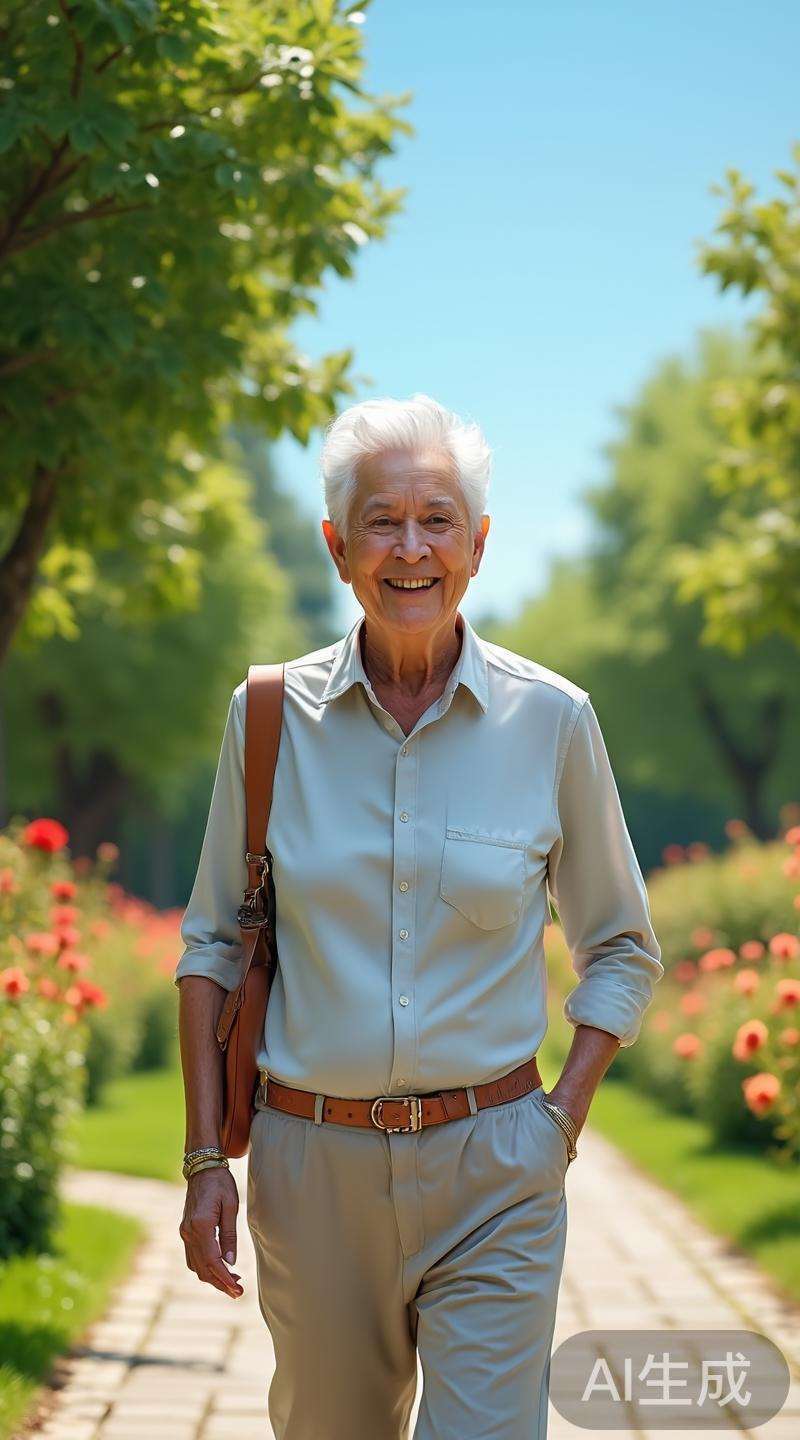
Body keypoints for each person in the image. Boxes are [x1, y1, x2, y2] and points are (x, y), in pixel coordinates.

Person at [174, 393, 664, 1440]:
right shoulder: (267, 718)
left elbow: (622, 946)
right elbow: (212, 943)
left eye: (437, 520)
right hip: (312, 1172)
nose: (410, 549)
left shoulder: (553, 720)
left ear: (477, 545)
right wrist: (205, 1161)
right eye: (381, 522)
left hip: (497, 1171)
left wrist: (560, 1122)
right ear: (336, 546)